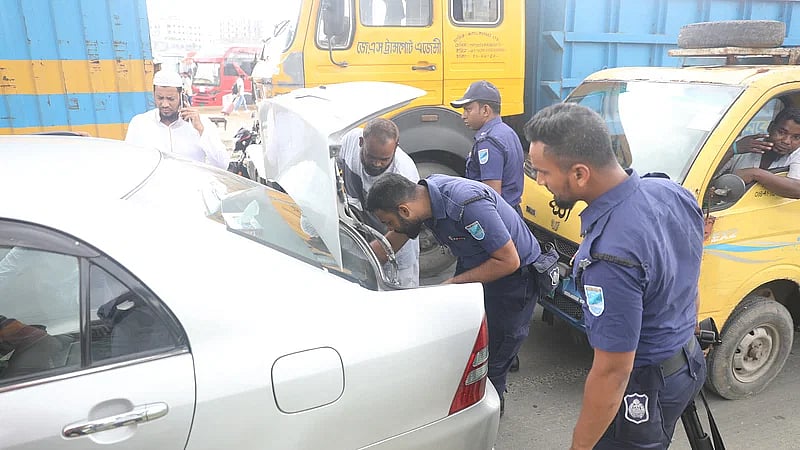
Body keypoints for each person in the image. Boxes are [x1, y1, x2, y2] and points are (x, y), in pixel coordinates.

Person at [525, 103, 706, 450]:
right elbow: (688, 272)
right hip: (688, 360)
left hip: (645, 387)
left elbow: (613, 371)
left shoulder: (609, 258)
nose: (539, 181)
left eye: (544, 172)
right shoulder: (671, 192)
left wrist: (580, 447)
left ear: (580, 174)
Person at [365, 172, 541, 414]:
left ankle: (487, 414)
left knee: (493, 359)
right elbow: (392, 241)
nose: (389, 228)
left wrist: (453, 284)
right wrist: (358, 265)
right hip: (476, 264)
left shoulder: (467, 205)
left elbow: (509, 261)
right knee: (466, 343)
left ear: (404, 210)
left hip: (514, 279)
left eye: (388, 222)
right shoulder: (421, 200)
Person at [339, 119, 421, 287]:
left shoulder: (404, 175)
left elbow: (404, 232)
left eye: (384, 159)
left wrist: (368, 260)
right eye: (371, 156)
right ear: (361, 142)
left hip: (395, 256)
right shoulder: (349, 141)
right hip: (362, 241)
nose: (377, 164)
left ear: (396, 147)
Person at [125, 70, 228, 169]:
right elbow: (129, 163)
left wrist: (201, 130)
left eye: (171, 99)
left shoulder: (201, 124)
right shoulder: (140, 123)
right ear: (154, 95)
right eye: (160, 98)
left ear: (181, 95)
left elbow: (222, 165)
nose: (165, 104)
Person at [451, 80, 526, 214]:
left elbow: (492, 195)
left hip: (499, 216)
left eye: (468, 109)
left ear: (485, 110)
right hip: (512, 212)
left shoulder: (488, 142)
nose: (463, 116)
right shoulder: (507, 132)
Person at [717, 106, 800, 198]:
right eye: (781, 132)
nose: (786, 141)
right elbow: (710, 175)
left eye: (796, 137)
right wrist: (732, 150)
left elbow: (798, 189)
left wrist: (755, 174)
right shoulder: (744, 144)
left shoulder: (797, 154)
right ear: (771, 127)